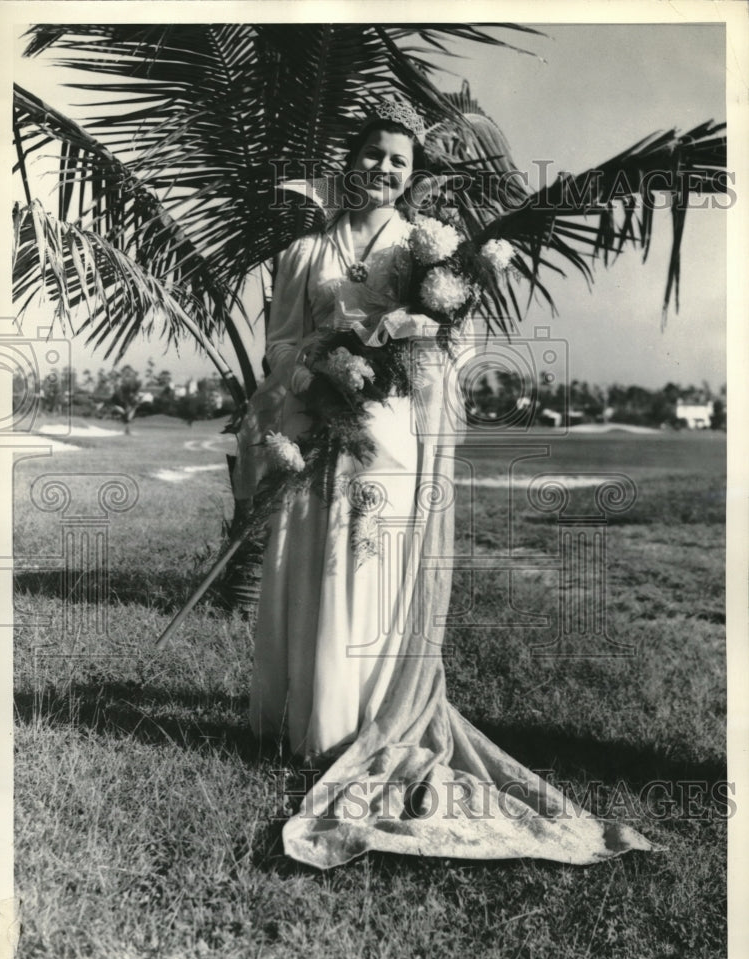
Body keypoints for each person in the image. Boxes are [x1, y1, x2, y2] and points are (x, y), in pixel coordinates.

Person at [233, 100, 656, 870]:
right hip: (312, 425)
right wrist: (320, 365)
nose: (384, 169)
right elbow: (279, 346)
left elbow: (457, 350)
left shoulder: (430, 255)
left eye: (399, 160)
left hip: (390, 431)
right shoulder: (302, 254)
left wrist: (409, 338)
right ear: (349, 160)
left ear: (411, 174)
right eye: (373, 154)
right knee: (309, 564)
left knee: (362, 563)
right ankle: (299, 726)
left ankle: (351, 730)